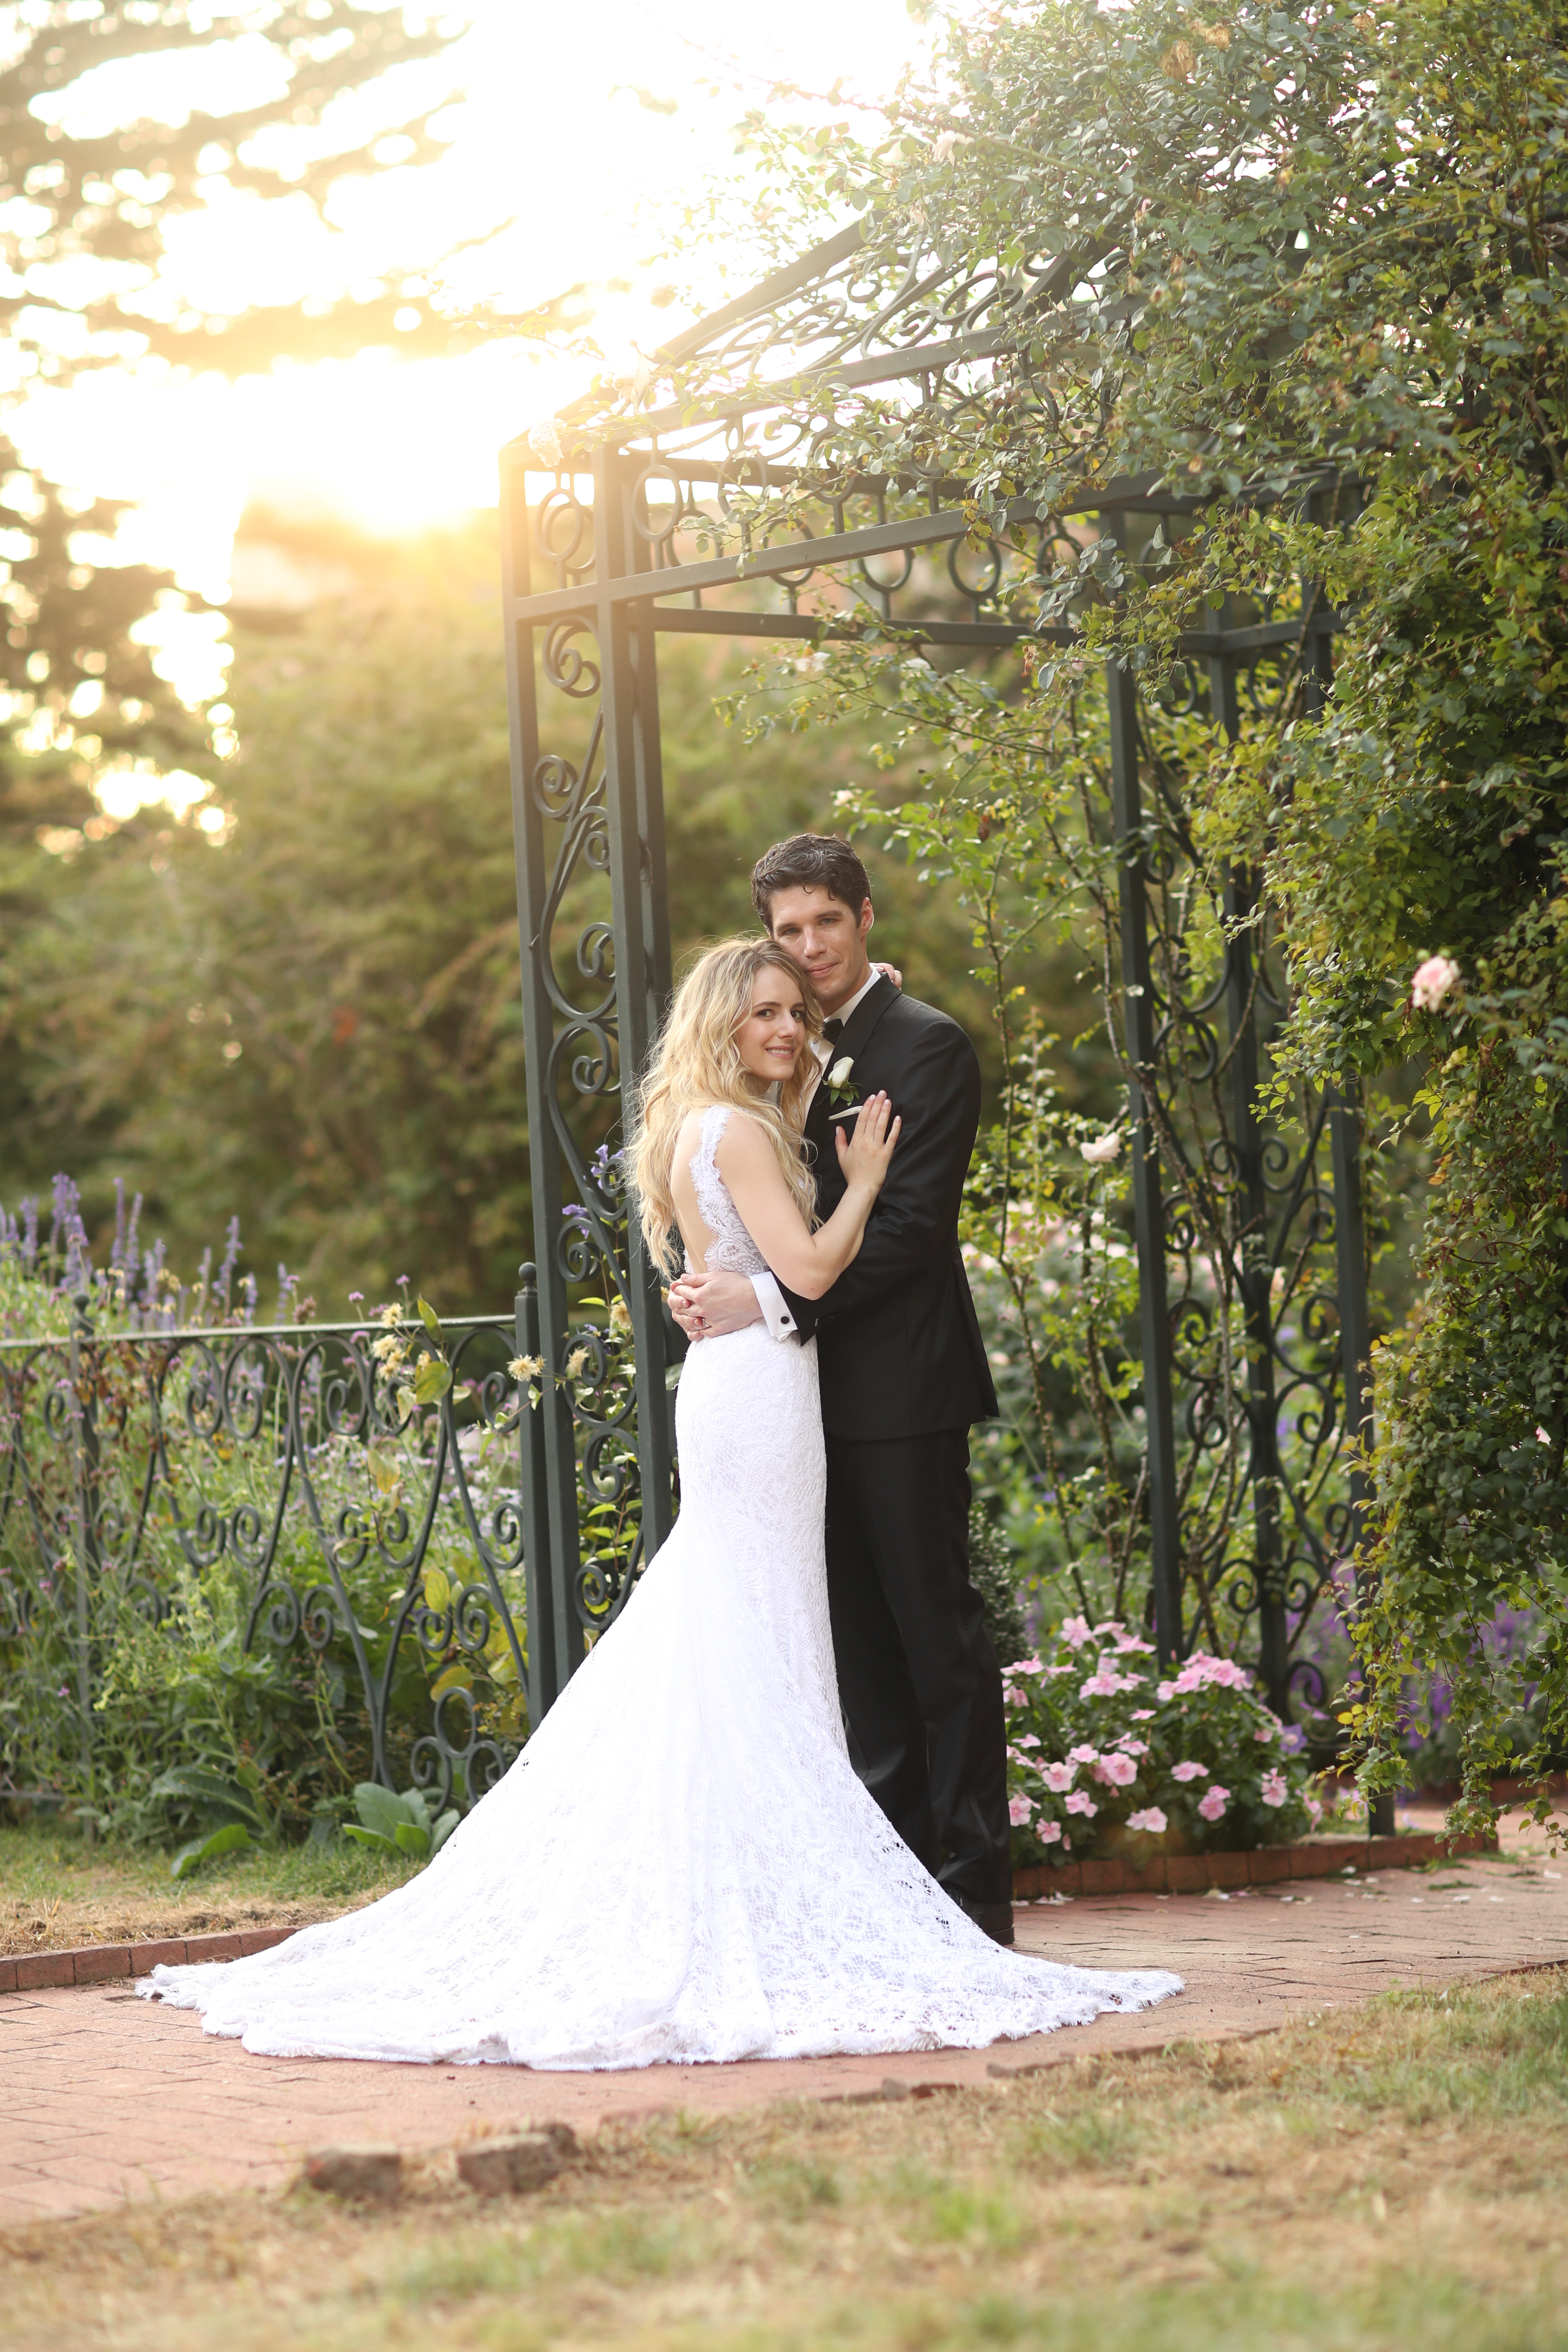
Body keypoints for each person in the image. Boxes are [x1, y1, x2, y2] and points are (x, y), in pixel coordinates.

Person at [136, 936, 1179, 2068]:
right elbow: (818, 1271)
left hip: (750, 1389)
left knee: (752, 1624)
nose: (785, 1029)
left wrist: (768, 1264)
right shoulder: (732, 1131)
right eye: (763, 1014)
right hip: (757, 1398)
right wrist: (871, 1175)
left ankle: (758, 1879)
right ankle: (751, 1891)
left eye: (795, 1013)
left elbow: (760, 1272)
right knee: (748, 1624)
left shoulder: (711, 1126)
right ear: (719, 1024)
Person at [669, 836, 1014, 1944]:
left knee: (935, 1645)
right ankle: (892, 1897)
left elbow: (908, 1228)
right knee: (850, 1659)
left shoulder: (922, 1047)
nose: (810, 949)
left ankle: (973, 1905)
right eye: (788, 932)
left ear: (864, 920)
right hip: (790, 1407)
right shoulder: (780, 1051)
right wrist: (736, 1298)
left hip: (900, 1396)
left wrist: (768, 1302)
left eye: (827, 924)